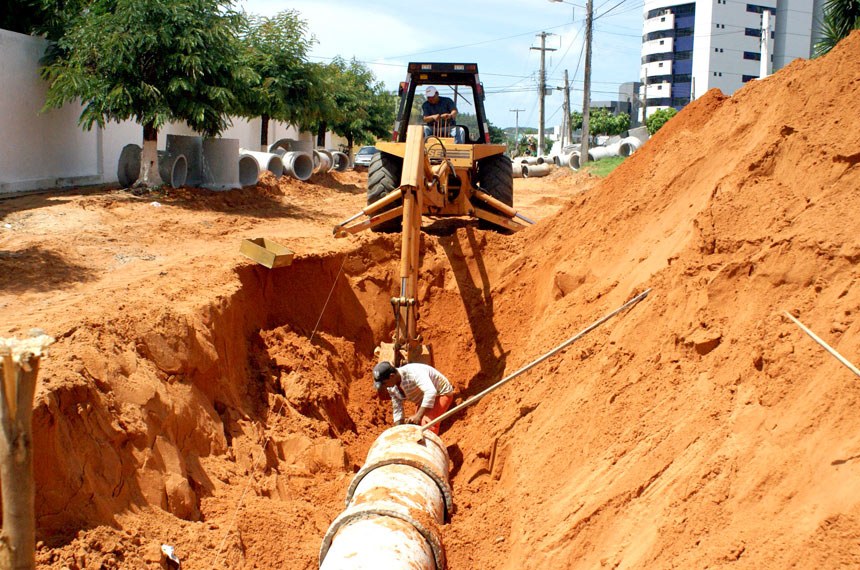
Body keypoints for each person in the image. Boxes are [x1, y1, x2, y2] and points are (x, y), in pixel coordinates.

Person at [373, 360, 455, 435]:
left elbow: (431, 392)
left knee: (427, 425)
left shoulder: (414, 372)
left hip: (440, 393)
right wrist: (399, 429)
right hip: (422, 397)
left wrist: (418, 416)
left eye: (384, 383)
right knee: (414, 426)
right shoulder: (391, 386)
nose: (384, 387)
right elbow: (397, 407)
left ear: (392, 376)